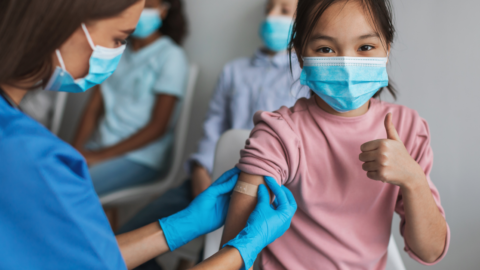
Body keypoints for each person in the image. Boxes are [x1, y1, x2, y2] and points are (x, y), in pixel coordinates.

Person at [0, 1, 297, 269]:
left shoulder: (22, 144)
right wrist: (239, 252)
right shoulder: (36, 162)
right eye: (118, 39)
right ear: (64, 22)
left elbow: (89, 257)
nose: (118, 53)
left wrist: (180, 226)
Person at [220, 0, 450, 269]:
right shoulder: (279, 134)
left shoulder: (407, 128)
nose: (346, 64)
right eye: (325, 49)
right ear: (301, 55)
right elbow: (234, 253)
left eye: (365, 47)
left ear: (387, 47)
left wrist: (413, 180)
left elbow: (430, 252)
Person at [118, 0, 307, 237]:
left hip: (265, 192)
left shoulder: (305, 78)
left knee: (215, 251)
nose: (271, 17)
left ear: (303, 22)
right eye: (268, 9)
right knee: (130, 235)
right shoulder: (234, 71)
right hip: (213, 178)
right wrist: (200, 169)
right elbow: (213, 125)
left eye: (284, 10)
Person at [73, 0, 189, 196]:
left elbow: (158, 126)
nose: (141, 12)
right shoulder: (115, 52)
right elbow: (93, 109)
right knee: (54, 173)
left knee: (74, 190)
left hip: (140, 157)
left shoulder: (171, 56)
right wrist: (75, 151)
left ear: (163, 11)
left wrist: (100, 157)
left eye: (149, 7)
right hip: (98, 146)